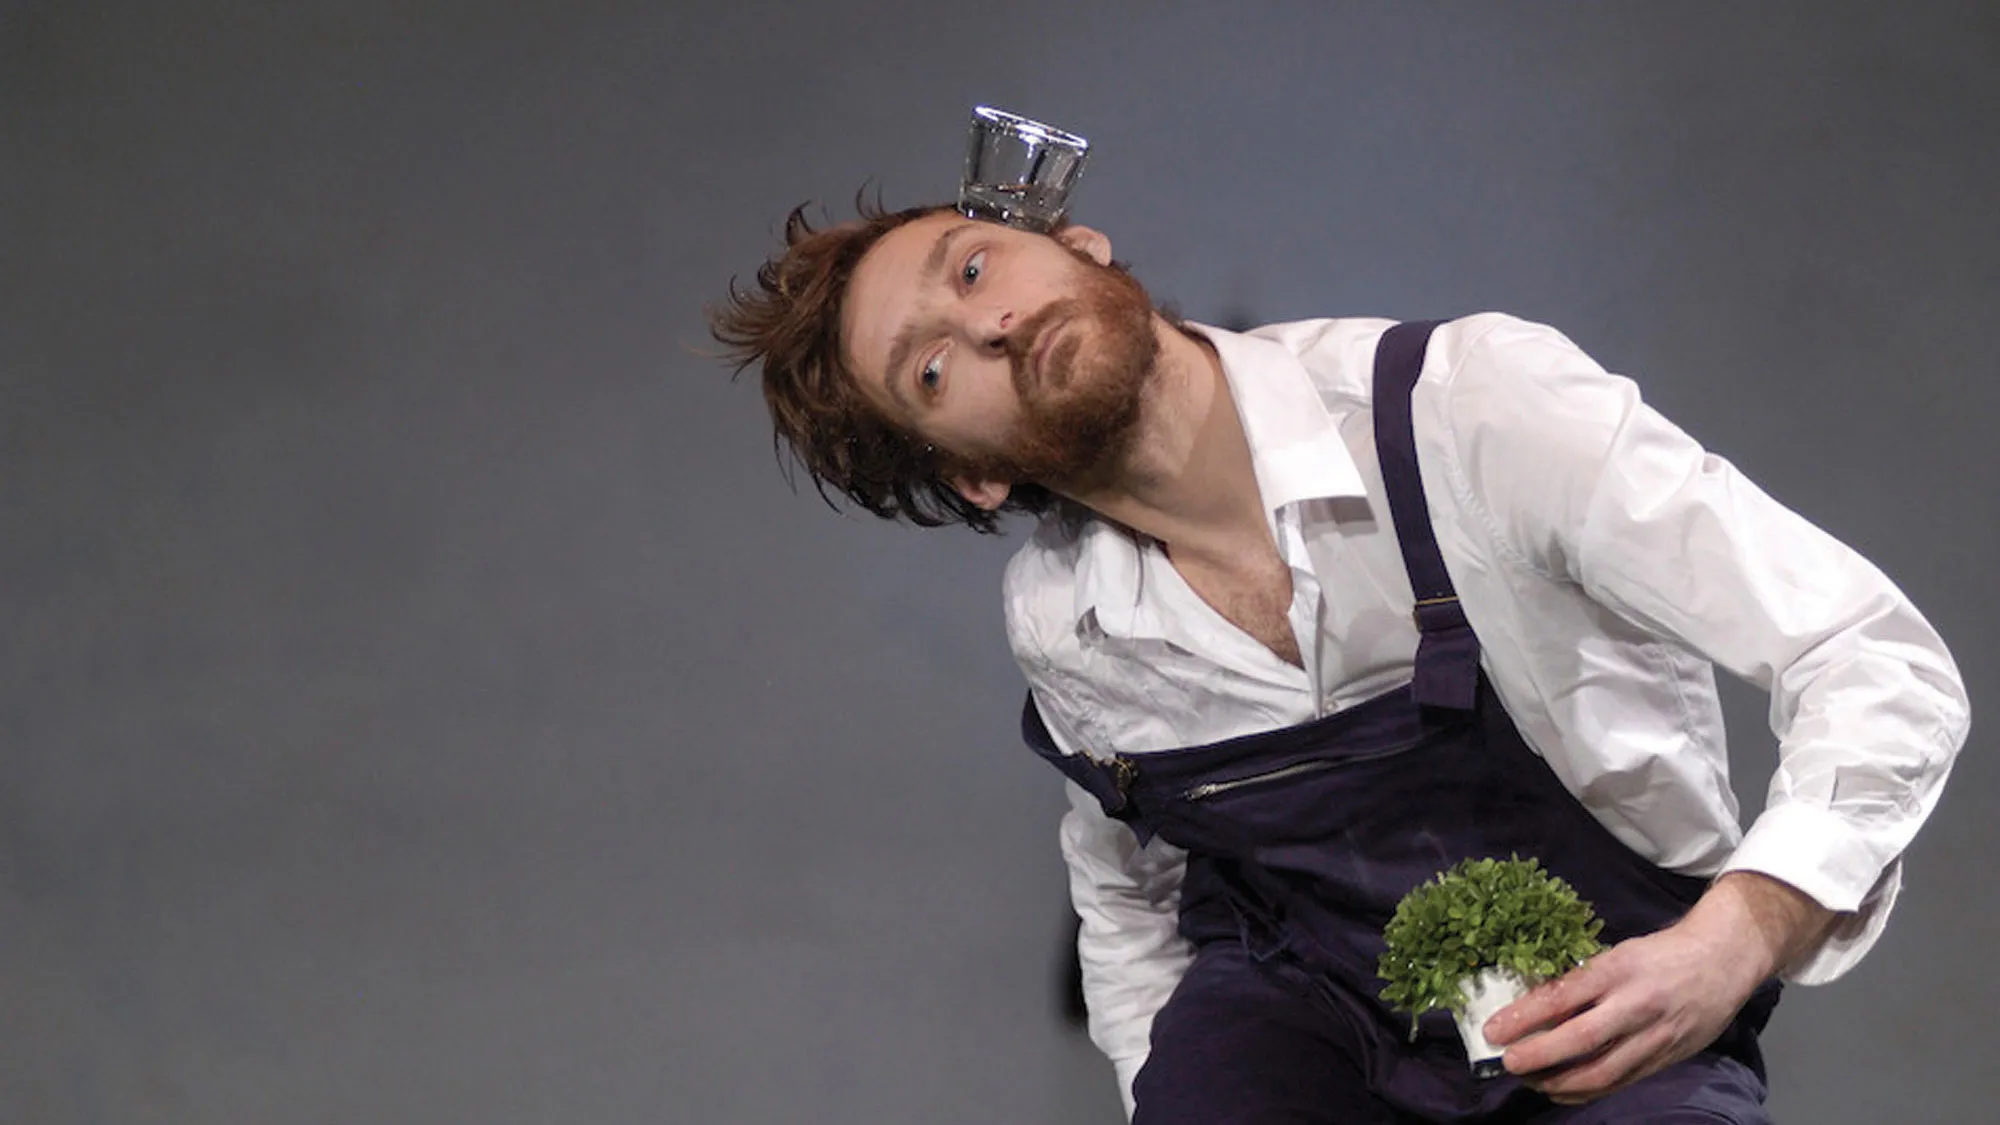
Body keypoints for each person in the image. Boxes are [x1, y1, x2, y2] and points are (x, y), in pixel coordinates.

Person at [709, 200, 1969, 1123]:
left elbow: (1870, 657)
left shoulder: (1467, 410)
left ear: (1077, 243)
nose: (984, 323)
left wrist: (1735, 936)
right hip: (1297, 1031)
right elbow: (1125, 887)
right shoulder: (1063, 620)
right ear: (974, 473)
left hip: (1621, 1015)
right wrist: (1177, 1092)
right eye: (929, 368)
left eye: (972, 266)